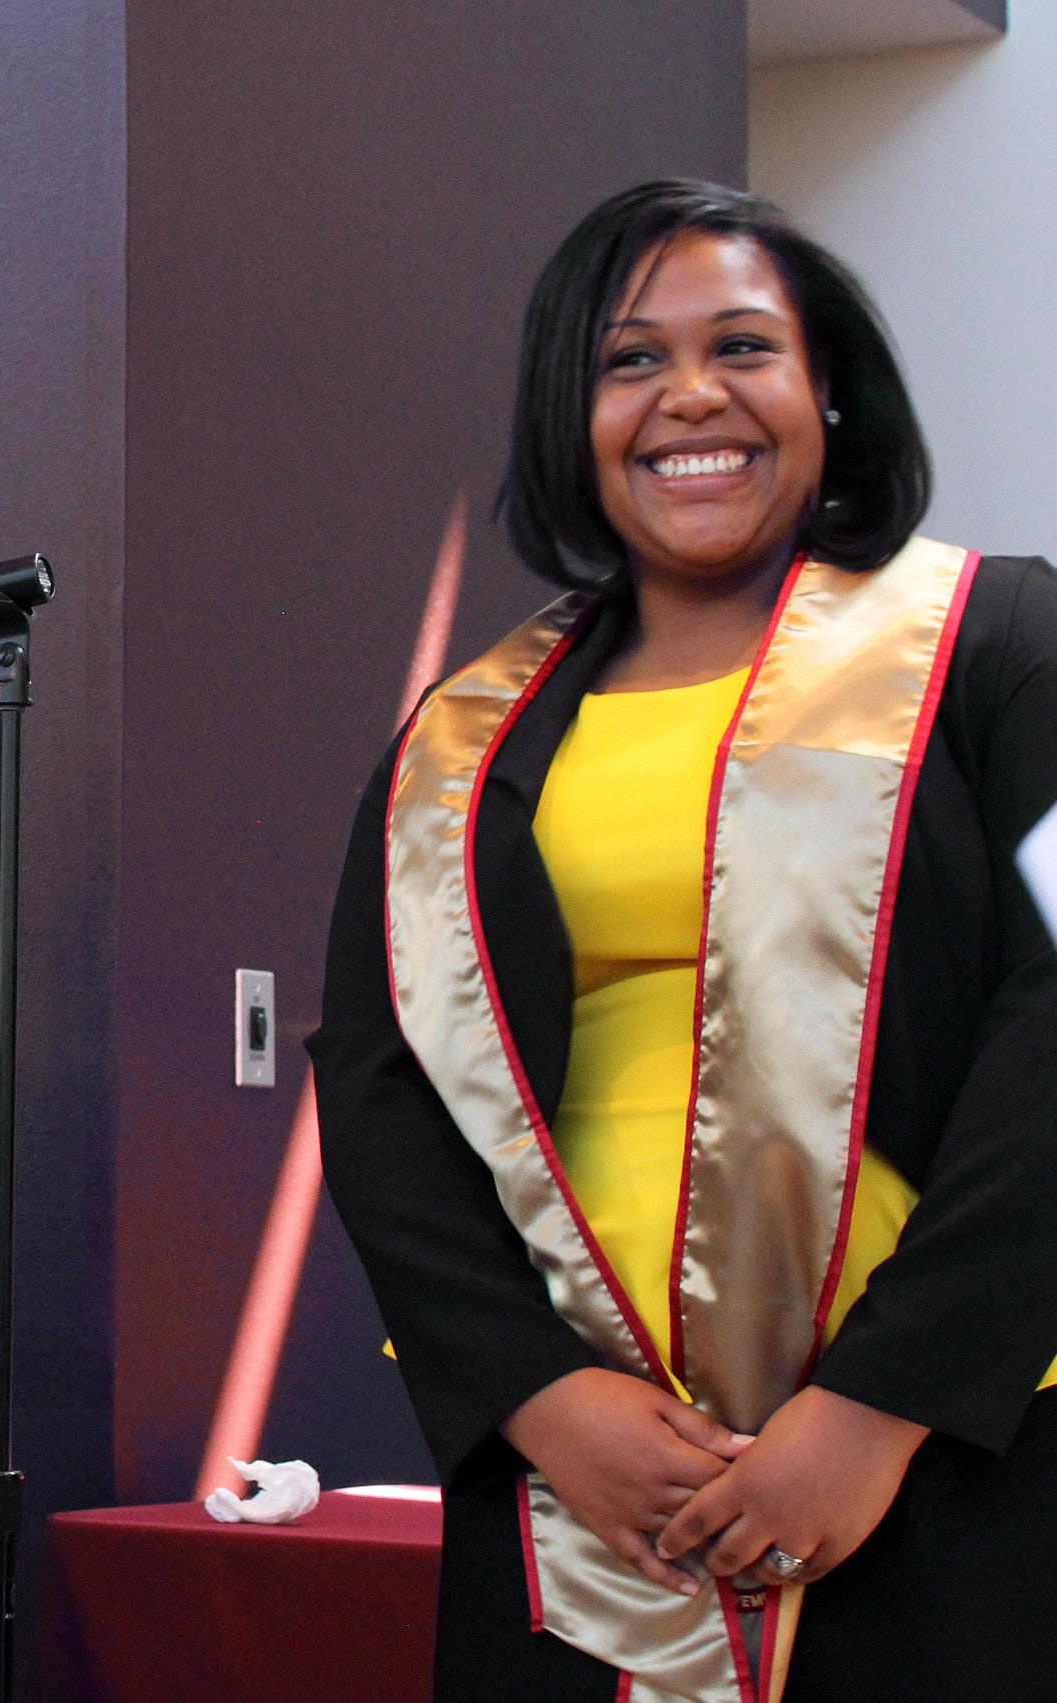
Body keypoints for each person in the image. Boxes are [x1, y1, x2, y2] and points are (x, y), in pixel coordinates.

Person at [311, 181, 1057, 1703]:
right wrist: (541, 1395)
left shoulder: (1000, 641)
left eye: (744, 346)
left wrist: (880, 1401)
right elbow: (380, 1081)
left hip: (943, 1461)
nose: (691, 396)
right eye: (630, 360)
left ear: (827, 386)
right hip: (585, 1495)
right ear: (568, 415)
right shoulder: (462, 739)